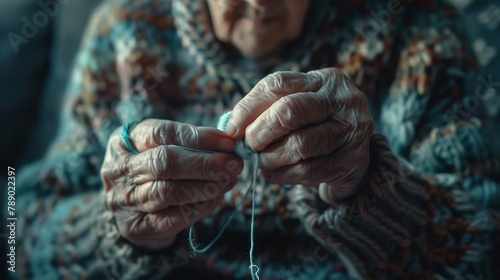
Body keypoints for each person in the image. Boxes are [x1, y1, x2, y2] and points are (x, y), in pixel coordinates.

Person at [14, 0, 500, 279]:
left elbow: (482, 250)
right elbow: (20, 235)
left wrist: (369, 183)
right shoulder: (123, 33)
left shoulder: (415, 27)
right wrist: (115, 229)